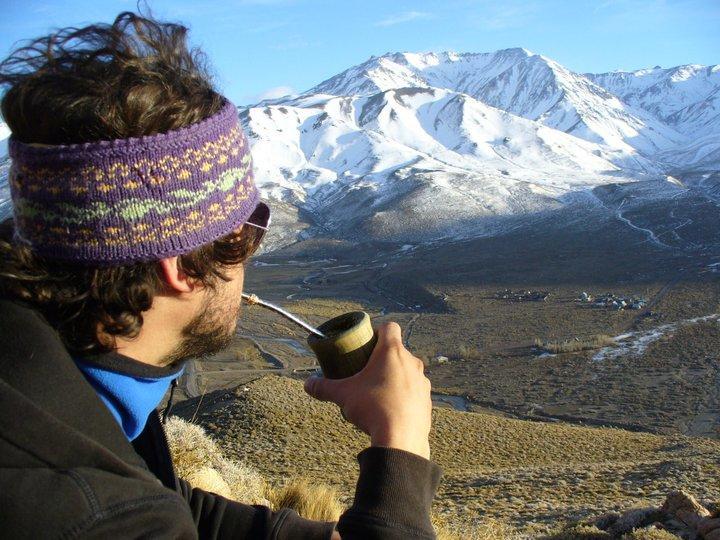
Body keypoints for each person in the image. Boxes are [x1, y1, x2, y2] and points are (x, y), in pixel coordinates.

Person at [0, 7, 441, 540]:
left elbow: (154, 492)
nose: (252, 257)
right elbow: (133, 513)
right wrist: (402, 444)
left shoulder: (49, 385)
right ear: (182, 266)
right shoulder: (88, 516)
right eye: (247, 231)